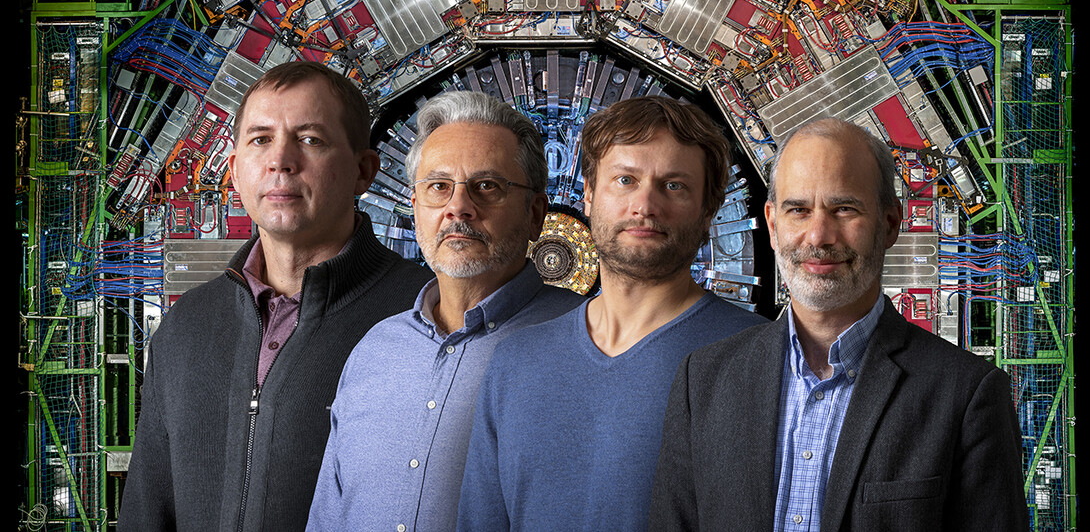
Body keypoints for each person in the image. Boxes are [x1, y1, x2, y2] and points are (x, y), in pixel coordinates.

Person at [649, 118, 1029, 531]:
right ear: (773, 226)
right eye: (798, 210)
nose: (819, 235)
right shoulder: (702, 382)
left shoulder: (967, 396)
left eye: (844, 208)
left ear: (889, 225)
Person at [118, 61, 432, 532]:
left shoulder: (427, 319)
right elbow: (147, 512)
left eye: (310, 139)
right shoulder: (185, 329)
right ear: (235, 171)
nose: (280, 160)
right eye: (260, 139)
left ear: (364, 172)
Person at [457, 96, 762, 531]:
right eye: (625, 180)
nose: (645, 206)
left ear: (709, 210)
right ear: (587, 193)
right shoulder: (514, 363)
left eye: (673, 185)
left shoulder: (759, 359)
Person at [305, 91, 583, 532]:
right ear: (415, 208)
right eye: (438, 187)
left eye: (487, 186)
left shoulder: (590, 349)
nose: (459, 207)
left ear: (535, 214)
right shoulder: (374, 352)